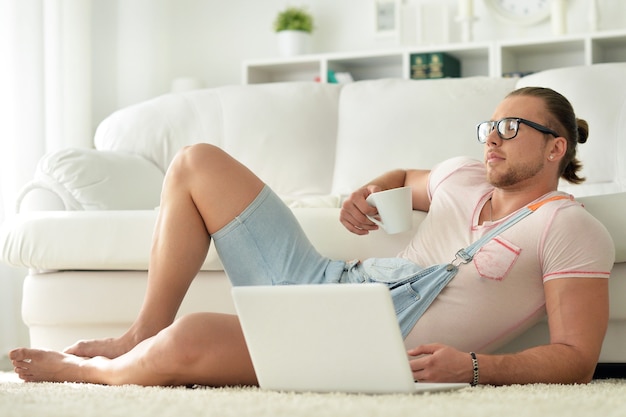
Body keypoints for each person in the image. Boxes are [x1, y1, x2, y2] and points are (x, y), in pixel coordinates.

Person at [9, 87, 614, 387]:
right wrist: (368, 189)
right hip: (329, 282)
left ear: (556, 146)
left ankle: (98, 377)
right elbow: (405, 178)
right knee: (196, 161)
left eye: (511, 127)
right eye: (490, 124)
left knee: (192, 336)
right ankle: (135, 337)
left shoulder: (569, 228)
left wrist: (475, 367)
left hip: (367, 340)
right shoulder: (462, 175)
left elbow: (577, 359)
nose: (492, 137)